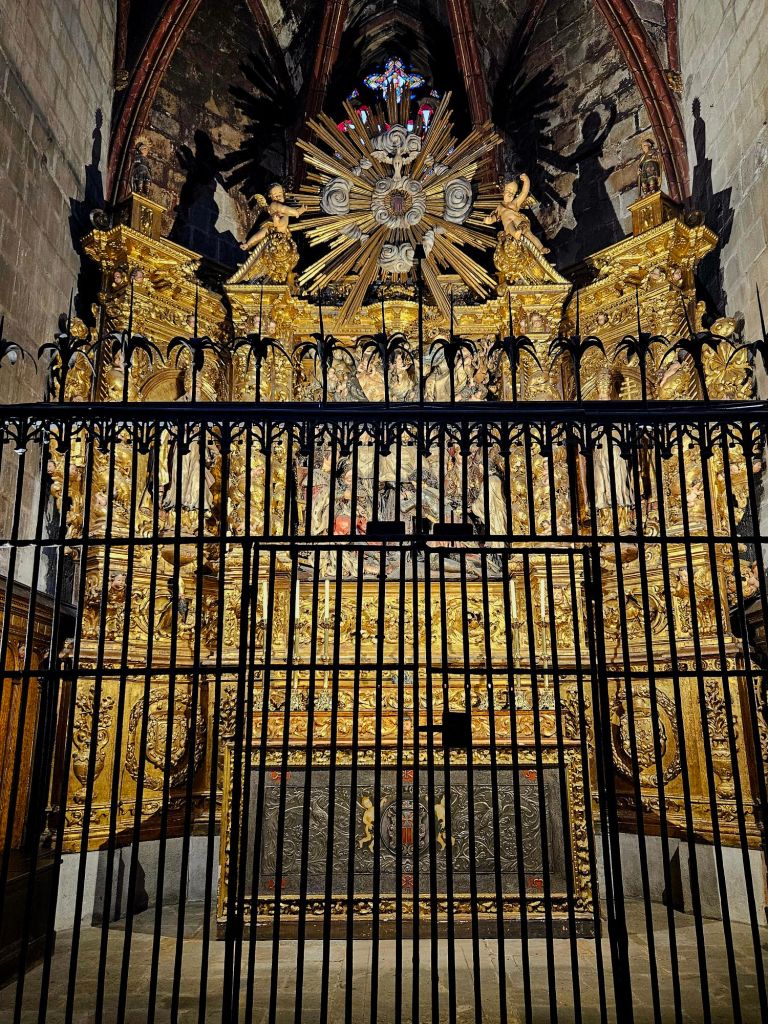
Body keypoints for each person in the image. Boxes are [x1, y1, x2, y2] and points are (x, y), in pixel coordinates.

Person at [484, 173, 550, 254]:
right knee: (509, 223)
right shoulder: (499, 207)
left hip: (520, 223)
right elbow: (496, 216)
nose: (511, 194)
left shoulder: (515, 203)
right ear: (502, 190)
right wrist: (490, 220)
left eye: (513, 193)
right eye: (508, 191)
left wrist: (527, 181)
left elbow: (524, 193)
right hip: (509, 228)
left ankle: (541, 248)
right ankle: (515, 233)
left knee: (529, 234)